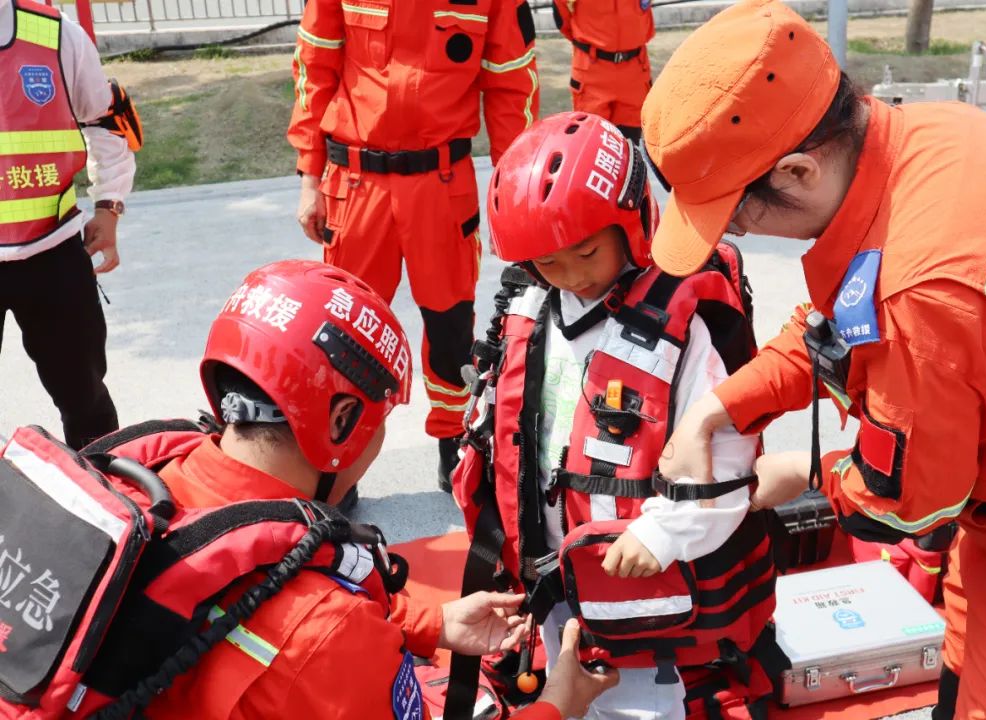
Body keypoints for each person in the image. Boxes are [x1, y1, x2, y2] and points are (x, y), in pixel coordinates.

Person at [640, 1, 986, 718]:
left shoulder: (926, 291)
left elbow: (910, 503)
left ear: (799, 170)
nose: (739, 233)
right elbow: (834, 321)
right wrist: (717, 409)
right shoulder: (932, 136)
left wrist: (800, 475)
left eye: (736, 212)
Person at [113, 260, 617, 719]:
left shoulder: (151, 470)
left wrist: (430, 622)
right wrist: (558, 704)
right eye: (381, 420)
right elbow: (315, 635)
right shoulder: (328, 633)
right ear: (341, 420)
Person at [454, 113, 776, 720]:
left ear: (631, 223)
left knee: (643, 707)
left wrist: (664, 532)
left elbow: (728, 458)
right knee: (567, 689)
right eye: (549, 263)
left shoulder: (685, 329)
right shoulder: (528, 309)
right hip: (549, 569)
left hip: (641, 576)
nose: (572, 276)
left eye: (586, 252)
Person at [287, 0, 540, 493]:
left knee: (451, 330)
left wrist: (517, 193)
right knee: (345, 334)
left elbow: (512, 89)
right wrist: (309, 178)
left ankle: (456, 449)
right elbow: (314, 66)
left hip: (442, 186)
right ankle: (337, 461)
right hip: (355, 183)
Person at [0, 0, 136, 449]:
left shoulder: (55, 33)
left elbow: (106, 118)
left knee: (87, 404)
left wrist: (109, 205)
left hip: (52, 252)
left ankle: (109, 506)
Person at [551, 0, 654, 143]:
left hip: (634, 71)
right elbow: (562, 19)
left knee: (631, 147)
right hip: (592, 72)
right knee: (592, 144)